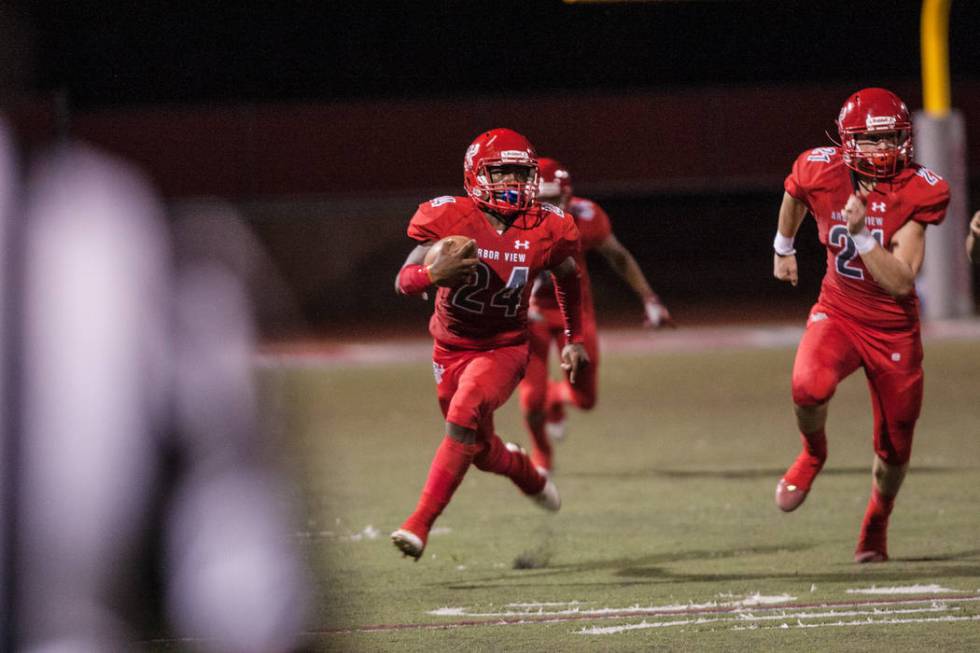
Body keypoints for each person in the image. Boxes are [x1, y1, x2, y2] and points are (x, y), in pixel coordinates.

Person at [390, 128, 589, 561]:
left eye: (521, 174)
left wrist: (573, 339)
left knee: (463, 414)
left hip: (505, 347)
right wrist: (430, 275)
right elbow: (403, 281)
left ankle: (418, 523)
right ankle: (523, 471)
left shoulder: (547, 226)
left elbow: (568, 275)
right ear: (477, 175)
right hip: (450, 347)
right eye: (502, 174)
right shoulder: (451, 219)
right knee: (476, 448)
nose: (514, 184)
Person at [772, 87, 950, 563]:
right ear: (847, 142)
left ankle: (877, 519)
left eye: (891, 139)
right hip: (841, 310)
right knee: (807, 386)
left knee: (893, 453)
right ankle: (813, 453)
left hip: (893, 330)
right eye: (871, 142)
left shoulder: (920, 188)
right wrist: (782, 247)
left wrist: (861, 234)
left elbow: (900, 281)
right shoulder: (819, 167)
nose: (883, 150)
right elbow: (794, 192)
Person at [517, 158, 673, 472]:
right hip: (529, 315)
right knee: (531, 401)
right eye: (540, 199)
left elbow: (618, 257)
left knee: (585, 400)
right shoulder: (511, 221)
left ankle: (556, 398)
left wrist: (650, 299)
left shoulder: (586, 217)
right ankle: (542, 451)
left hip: (574, 313)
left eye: (552, 199)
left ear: (567, 197)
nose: (546, 206)